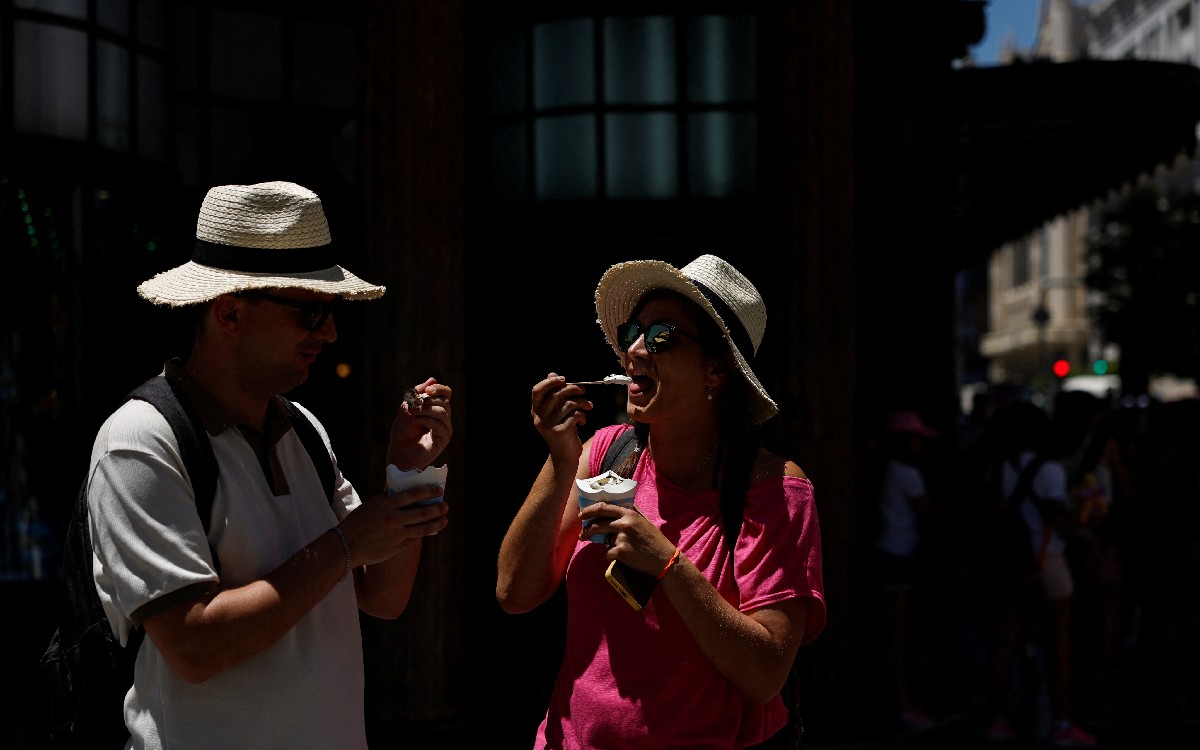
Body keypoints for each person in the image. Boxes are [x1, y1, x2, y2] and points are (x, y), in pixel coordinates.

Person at [88, 181, 453, 749]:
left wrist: (407, 469)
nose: (330, 334)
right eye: (312, 314)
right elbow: (194, 645)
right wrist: (347, 544)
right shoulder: (140, 440)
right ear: (229, 312)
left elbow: (382, 597)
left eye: (332, 314)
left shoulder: (302, 430)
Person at [496, 253, 826, 749]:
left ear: (715, 370)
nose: (633, 350)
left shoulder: (773, 489)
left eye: (661, 337)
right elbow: (514, 592)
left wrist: (668, 564)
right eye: (632, 332)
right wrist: (562, 462)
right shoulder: (606, 454)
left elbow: (765, 675)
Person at [981, 401, 1096, 748]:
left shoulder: (1000, 466)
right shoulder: (1050, 470)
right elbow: (1059, 516)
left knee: (1004, 641)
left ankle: (999, 720)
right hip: (1048, 558)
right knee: (1058, 642)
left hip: (1011, 561)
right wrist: (1086, 515)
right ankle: (1061, 722)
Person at [870, 409, 939, 731]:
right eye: (916, 439)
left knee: (893, 634)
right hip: (899, 555)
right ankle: (902, 705)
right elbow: (929, 515)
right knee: (897, 636)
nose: (921, 446)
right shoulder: (907, 474)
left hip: (888, 551)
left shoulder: (883, 469)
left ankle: (899, 701)